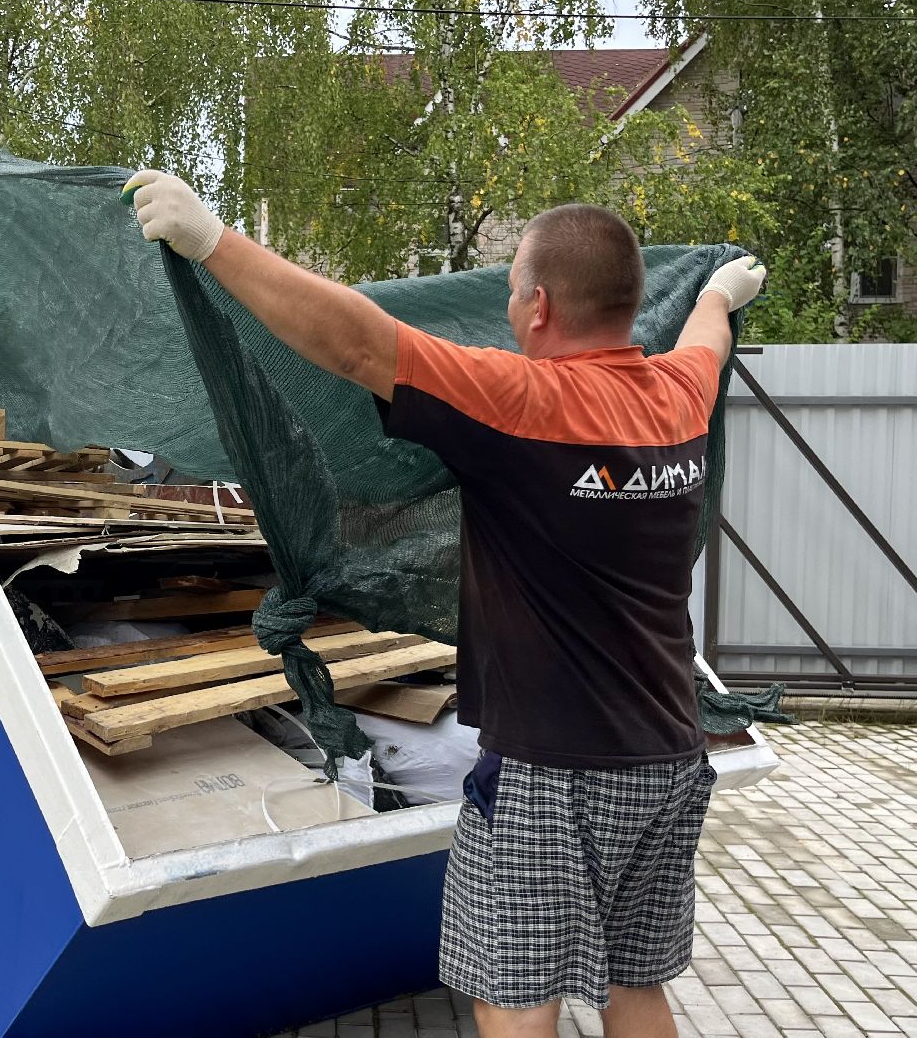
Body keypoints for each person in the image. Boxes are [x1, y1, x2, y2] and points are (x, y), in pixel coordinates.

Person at [122, 169, 765, 1038]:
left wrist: (212, 241)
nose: (506, 308)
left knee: (514, 995)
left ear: (539, 305)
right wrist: (719, 291)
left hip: (552, 773)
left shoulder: (525, 400)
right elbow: (706, 342)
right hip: (669, 755)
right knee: (636, 985)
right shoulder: (679, 397)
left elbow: (359, 345)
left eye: (511, 291)